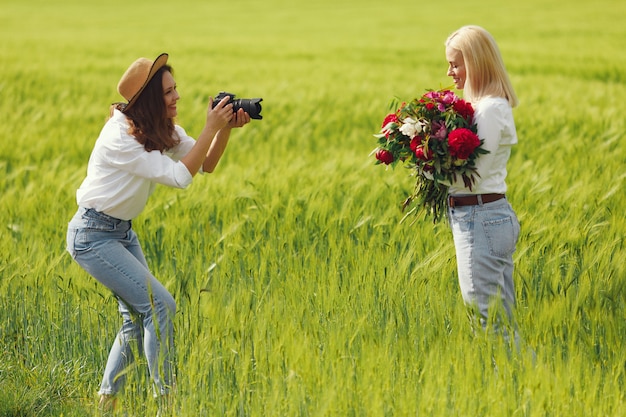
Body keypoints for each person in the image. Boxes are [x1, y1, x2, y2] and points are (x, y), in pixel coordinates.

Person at [65, 53, 250, 411]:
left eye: (175, 88)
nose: (177, 97)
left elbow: (205, 163)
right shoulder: (120, 137)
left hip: (120, 233)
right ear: (150, 100)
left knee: (137, 319)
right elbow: (181, 177)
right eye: (168, 92)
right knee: (160, 306)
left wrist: (224, 128)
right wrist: (211, 126)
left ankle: (105, 403)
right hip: (92, 236)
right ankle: (166, 400)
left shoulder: (157, 127)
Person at [443, 26, 521, 341]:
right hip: (485, 218)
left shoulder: (489, 109)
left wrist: (426, 167)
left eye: (455, 64)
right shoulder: (487, 106)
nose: (450, 72)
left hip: (480, 218)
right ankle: (523, 384)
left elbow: (471, 178)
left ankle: (510, 386)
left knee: (489, 325)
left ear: (475, 63)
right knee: (499, 322)